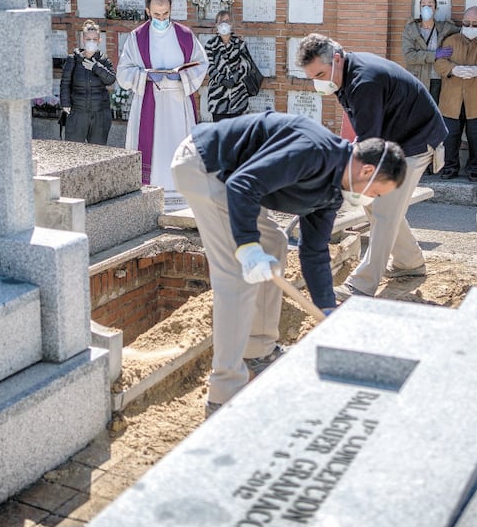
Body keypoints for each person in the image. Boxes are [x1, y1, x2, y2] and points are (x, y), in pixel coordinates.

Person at [171, 111, 406, 415]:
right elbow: (243, 184)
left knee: (274, 242)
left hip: (233, 181)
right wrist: (246, 247)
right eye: (375, 192)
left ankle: (259, 350)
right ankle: (224, 394)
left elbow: (314, 251)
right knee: (237, 277)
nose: (371, 199)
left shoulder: (334, 192)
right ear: (367, 171)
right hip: (206, 167)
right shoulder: (312, 150)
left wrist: (327, 309)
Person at [296, 33, 448, 301]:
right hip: (396, 138)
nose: (318, 83)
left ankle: (362, 285)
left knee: (384, 208)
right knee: (373, 203)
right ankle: (409, 262)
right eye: (313, 78)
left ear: (337, 60)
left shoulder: (364, 81)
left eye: (320, 74)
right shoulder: (345, 77)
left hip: (416, 142)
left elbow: (370, 145)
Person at [116, 0, 207, 196]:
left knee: (178, 145)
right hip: (150, 99)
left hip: (178, 101)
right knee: (154, 150)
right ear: (148, 11)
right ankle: (151, 192)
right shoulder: (137, 38)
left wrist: (182, 76)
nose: (162, 18)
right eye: (157, 14)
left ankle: (182, 193)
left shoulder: (184, 35)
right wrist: (145, 75)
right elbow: (123, 71)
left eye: (165, 14)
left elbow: (201, 63)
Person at [433, 6, 477, 182]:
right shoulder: (451, 41)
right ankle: (448, 167)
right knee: (449, 136)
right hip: (452, 98)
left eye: (474, 23)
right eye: (466, 23)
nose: (470, 26)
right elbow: (439, 63)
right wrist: (453, 69)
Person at [59, 19, 117, 145]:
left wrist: (96, 67)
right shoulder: (73, 59)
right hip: (78, 113)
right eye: (88, 39)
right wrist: (65, 104)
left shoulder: (103, 59)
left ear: (99, 40)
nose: (91, 42)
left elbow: (111, 79)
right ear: (83, 39)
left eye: (94, 39)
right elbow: (65, 83)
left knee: (97, 151)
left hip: (99, 113)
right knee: (74, 151)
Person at [401, 0, 459, 106]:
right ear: (420, 8)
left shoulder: (444, 28)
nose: (426, 8)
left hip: (437, 79)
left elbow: (464, 33)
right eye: (423, 5)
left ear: (436, 9)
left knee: (435, 113)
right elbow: (409, 56)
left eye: (430, 5)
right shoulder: (411, 29)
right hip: (417, 79)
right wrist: (434, 55)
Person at [204, 10, 254, 121]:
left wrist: (234, 79)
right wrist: (222, 80)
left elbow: (246, 64)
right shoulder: (210, 45)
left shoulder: (240, 44)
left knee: (238, 134)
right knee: (221, 134)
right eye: (221, 21)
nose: (224, 23)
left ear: (231, 24)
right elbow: (209, 65)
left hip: (238, 98)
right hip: (218, 98)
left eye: (227, 21)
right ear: (216, 24)